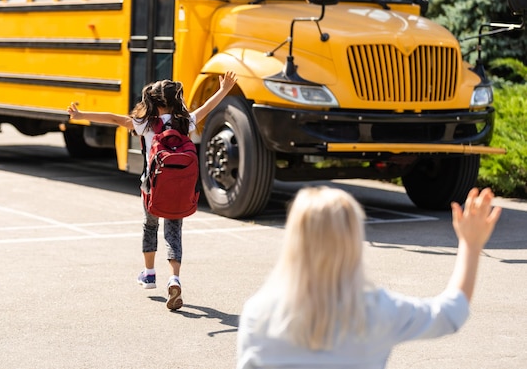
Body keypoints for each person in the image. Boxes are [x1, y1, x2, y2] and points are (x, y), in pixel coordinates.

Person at [237, 186, 502, 368]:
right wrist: (470, 245)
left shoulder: (258, 315)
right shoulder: (377, 311)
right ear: (353, 240)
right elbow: (450, 313)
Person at [67, 71, 238, 310]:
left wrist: (80, 114)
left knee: (150, 226)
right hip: (179, 186)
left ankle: (149, 274)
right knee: (174, 230)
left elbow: (114, 119)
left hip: (152, 187)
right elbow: (207, 108)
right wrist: (224, 89)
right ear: (174, 101)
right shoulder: (185, 121)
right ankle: (174, 278)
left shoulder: (145, 123)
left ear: (154, 102)